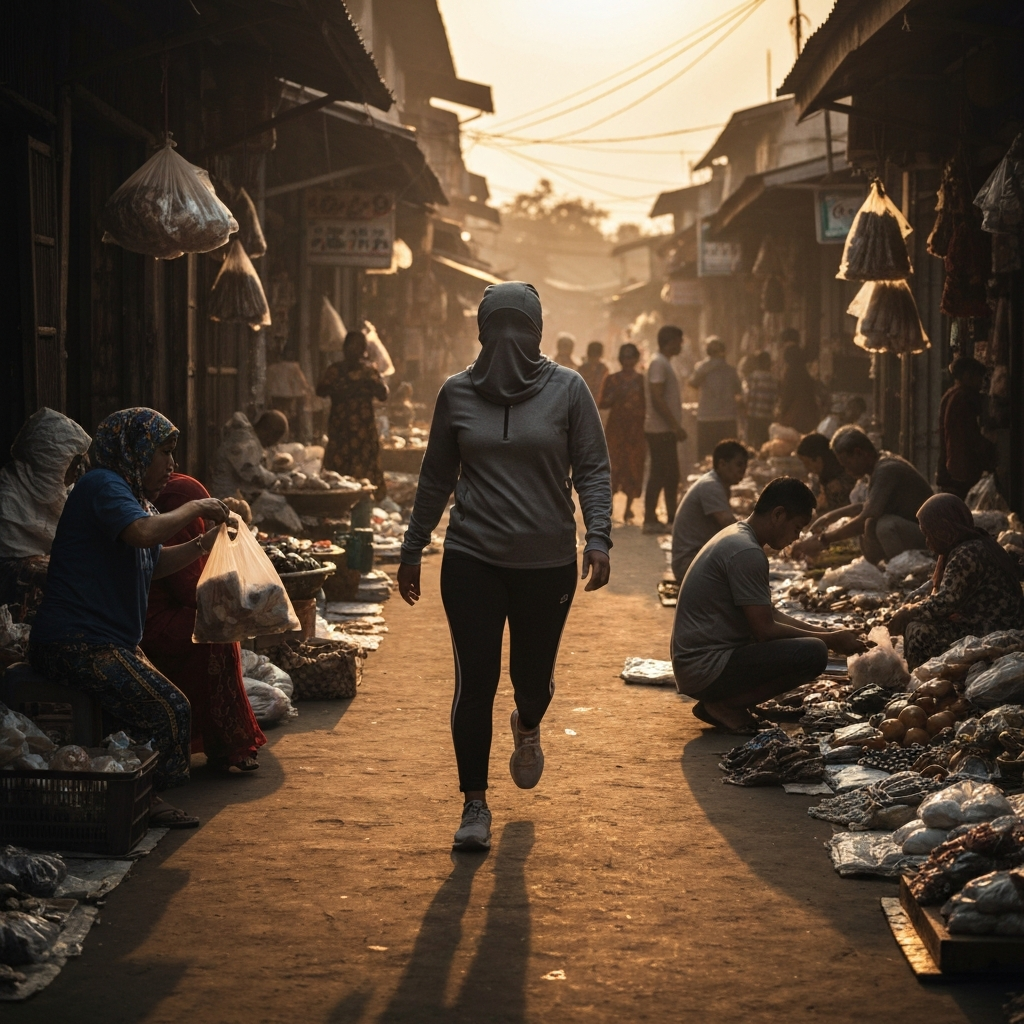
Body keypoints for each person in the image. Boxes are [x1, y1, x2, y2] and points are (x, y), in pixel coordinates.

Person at [396, 281, 612, 852]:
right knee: (475, 682)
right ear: (481, 333)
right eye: (499, 328)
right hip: (472, 557)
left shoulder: (569, 390)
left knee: (531, 681)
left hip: (546, 562)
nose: (509, 339)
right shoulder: (456, 393)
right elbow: (436, 477)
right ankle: (474, 804)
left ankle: (529, 723)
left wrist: (600, 538)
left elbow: (592, 467)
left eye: (521, 328)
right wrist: (413, 546)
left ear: (538, 334)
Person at [29, 408, 234, 827]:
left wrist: (204, 542)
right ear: (135, 449)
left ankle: (137, 794)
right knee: (169, 709)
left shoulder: (130, 496)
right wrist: (195, 505)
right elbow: (142, 534)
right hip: (74, 641)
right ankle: (145, 799)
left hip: (108, 640)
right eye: (164, 452)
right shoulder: (102, 485)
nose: (171, 465)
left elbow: (152, 561)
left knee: (162, 706)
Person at [672, 478, 866, 733]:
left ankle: (730, 702)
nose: (796, 537)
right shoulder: (747, 552)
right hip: (705, 668)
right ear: (778, 515)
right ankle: (726, 704)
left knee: (815, 643)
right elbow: (765, 629)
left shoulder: (739, 536)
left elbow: (771, 614)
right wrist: (828, 640)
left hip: (698, 665)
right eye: (796, 528)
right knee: (814, 653)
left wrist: (829, 633)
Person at [141, 473, 266, 773]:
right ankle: (227, 744)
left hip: (159, 610)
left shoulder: (164, 506)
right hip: (147, 618)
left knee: (219, 626)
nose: (170, 464)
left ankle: (227, 741)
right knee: (216, 635)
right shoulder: (172, 519)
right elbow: (188, 590)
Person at [888, 493, 1024, 668]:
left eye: (930, 534)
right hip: (991, 622)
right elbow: (946, 584)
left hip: (992, 629)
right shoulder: (975, 542)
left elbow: (945, 603)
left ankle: (922, 678)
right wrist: (914, 599)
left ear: (944, 529)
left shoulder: (967, 554)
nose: (928, 542)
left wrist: (909, 612)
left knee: (917, 630)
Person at [796, 428, 933, 565]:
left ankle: (906, 570)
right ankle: (885, 566)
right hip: (913, 530)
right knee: (873, 524)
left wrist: (823, 540)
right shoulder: (879, 467)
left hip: (929, 537)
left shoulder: (886, 470)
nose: (846, 470)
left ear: (858, 453)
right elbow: (867, 506)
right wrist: (829, 517)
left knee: (883, 526)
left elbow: (866, 517)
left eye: (847, 464)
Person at [0, 408, 91, 609]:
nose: (74, 475)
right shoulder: (9, 501)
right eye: (69, 467)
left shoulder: (65, 494)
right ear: (48, 463)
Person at [317, 330, 390, 500]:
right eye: (352, 346)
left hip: (364, 428)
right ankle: (337, 500)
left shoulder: (369, 370)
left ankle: (366, 499)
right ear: (345, 348)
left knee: (365, 463)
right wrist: (343, 389)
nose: (355, 350)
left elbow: (383, 394)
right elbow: (320, 390)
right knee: (338, 466)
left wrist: (370, 383)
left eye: (360, 346)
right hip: (340, 426)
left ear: (364, 349)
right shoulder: (335, 370)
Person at [671, 439, 748, 582]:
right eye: (739, 464)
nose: (743, 470)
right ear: (722, 464)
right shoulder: (711, 486)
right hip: (688, 563)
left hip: (696, 558)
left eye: (744, 465)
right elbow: (729, 525)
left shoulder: (719, 484)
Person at [643, 325, 687, 534]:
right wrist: (674, 425)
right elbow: (657, 397)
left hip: (664, 429)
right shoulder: (659, 363)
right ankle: (651, 519)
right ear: (670, 341)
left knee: (670, 475)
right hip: (660, 430)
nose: (682, 345)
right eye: (679, 340)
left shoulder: (664, 363)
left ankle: (671, 518)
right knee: (660, 474)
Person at [598, 342, 646, 524]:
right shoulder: (612, 379)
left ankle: (628, 508)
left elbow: (646, 404)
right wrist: (614, 396)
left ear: (636, 359)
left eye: (631, 357)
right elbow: (602, 402)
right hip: (616, 430)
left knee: (633, 466)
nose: (628, 360)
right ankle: (608, 505)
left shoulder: (642, 381)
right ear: (620, 359)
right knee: (613, 466)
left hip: (635, 431)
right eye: (624, 357)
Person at [937, 357, 997, 500]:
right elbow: (970, 436)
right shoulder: (962, 398)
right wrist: (992, 451)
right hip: (961, 472)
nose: (980, 383)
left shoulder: (951, 395)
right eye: (978, 377)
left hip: (950, 470)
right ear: (967, 376)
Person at [209, 410, 286, 499]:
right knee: (279, 506)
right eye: (275, 438)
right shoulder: (247, 443)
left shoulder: (247, 439)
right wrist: (274, 478)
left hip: (231, 495)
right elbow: (253, 474)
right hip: (225, 498)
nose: (272, 444)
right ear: (268, 431)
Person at [688, 336, 741, 460]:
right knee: (728, 457)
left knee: (706, 456)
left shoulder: (702, 367)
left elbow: (692, 383)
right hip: (727, 418)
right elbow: (738, 390)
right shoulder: (731, 370)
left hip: (706, 417)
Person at [796, 432, 857, 513]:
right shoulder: (820, 478)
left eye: (807, 463)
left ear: (818, 460)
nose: (806, 468)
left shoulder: (844, 478)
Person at [777, 339, 822, 434]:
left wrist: (782, 413)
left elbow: (787, 396)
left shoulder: (790, 374)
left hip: (794, 416)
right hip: (809, 415)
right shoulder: (805, 373)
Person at [741, 351, 777, 449]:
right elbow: (776, 400)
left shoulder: (751, 377)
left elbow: (745, 396)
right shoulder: (774, 379)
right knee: (764, 446)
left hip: (753, 417)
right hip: (767, 418)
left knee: (751, 446)